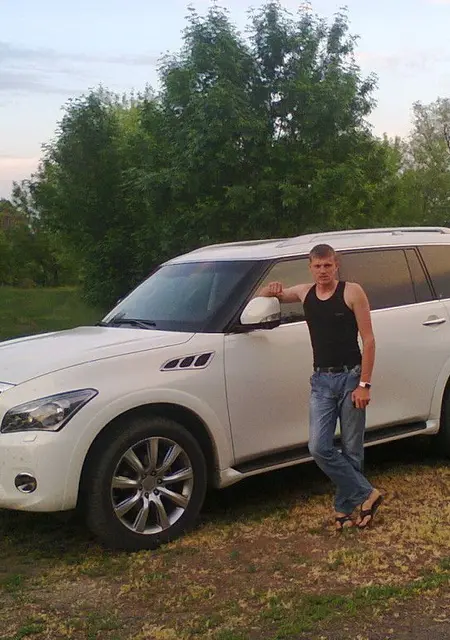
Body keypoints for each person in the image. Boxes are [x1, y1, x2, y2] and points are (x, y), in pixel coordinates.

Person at [259, 243, 383, 530]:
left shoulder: (352, 292)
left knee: (352, 448)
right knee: (318, 447)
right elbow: (267, 296)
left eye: (328, 265)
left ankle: (345, 508)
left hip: (351, 377)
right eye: (317, 266)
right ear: (310, 267)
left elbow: (369, 340)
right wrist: (269, 289)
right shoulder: (305, 292)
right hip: (322, 382)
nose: (323, 271)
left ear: (336, 265)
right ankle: (368, 494)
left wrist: (364, 384)